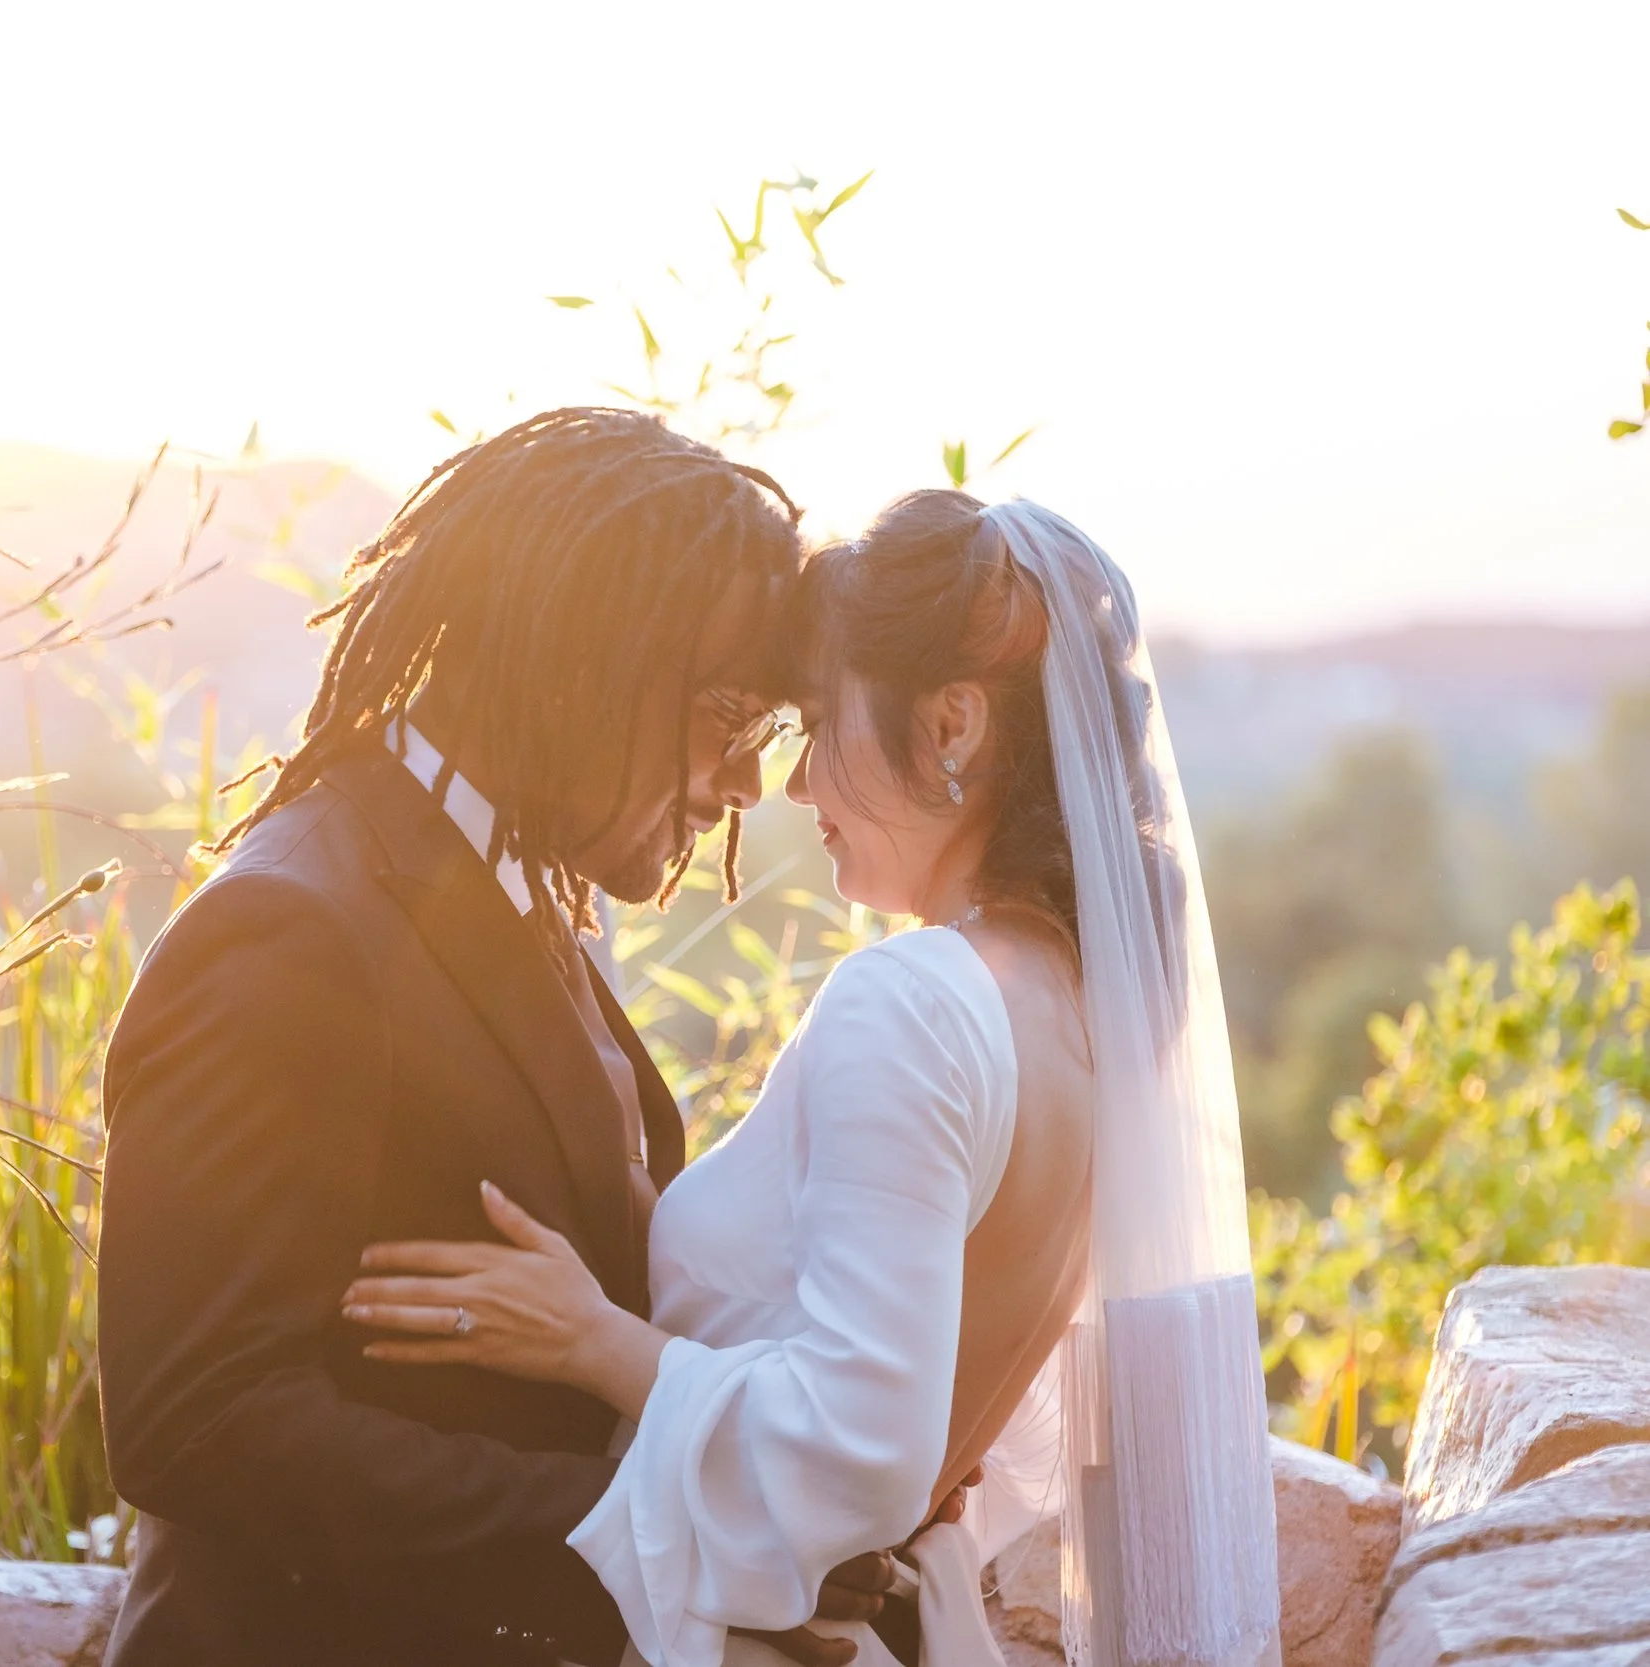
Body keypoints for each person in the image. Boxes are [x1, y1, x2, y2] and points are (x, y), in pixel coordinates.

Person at [346, 490, 1283, 1666]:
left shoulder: (914, 1002)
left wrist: (592, 1340)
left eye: (818, 724)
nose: (791, 790)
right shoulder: (1084, 1012)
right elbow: (977, 1428)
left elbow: (859, 1450)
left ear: (949, 728)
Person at [95, 408, 902, 1667]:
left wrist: (807, 1450)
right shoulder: (288, 931)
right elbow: (199, 1419)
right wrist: (661, 1534)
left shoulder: (508, 886)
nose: (745, 785)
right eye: (728, 717)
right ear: (585, 665)